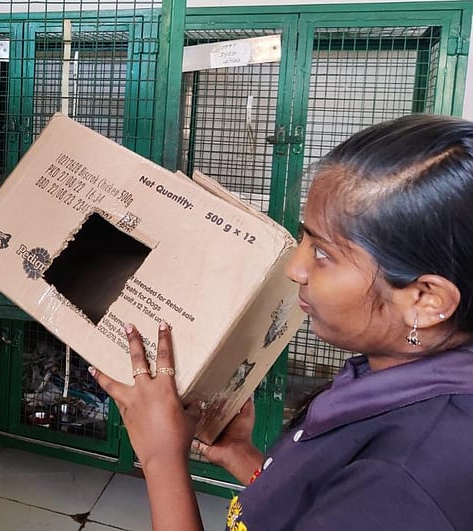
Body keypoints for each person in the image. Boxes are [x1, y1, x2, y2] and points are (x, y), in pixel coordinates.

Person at [90, 113, 473, 530]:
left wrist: (161, 457)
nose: (295, 267)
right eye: (302, 238)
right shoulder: (400, 374)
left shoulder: (402, 483)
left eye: (323, 252)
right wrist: (242, 454)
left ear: (425, 299)